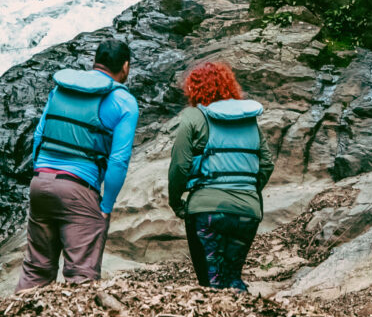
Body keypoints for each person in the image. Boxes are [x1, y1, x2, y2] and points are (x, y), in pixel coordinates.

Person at [16, 37, 140, 288]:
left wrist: (40, 174)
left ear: (95, 62)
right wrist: (106, 205)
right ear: (125, 67)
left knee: (35, 271)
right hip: (79, 189)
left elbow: (39, 136)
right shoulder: (124, 102)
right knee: (81, 277)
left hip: (41, 182)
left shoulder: (60, 89)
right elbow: (118, 160)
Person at [167, 60, 274, 291]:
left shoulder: (193, 117)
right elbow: (266, 163)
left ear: (194, 89)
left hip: (206, 212)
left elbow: (180, 166)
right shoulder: (249, 119)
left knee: (211, 282)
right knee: (232, 276)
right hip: (247, 212)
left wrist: (176, 202)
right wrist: (248, 191)